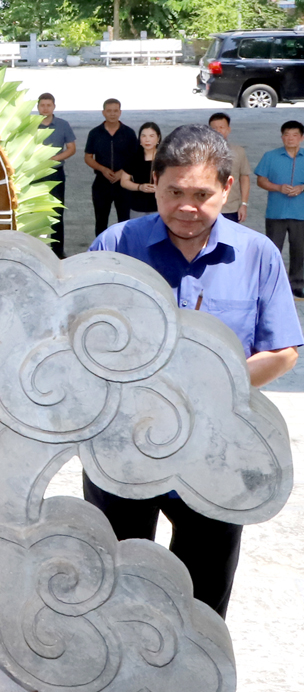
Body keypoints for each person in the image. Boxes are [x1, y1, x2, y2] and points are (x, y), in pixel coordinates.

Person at [90, 123, 302, 619]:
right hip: (123, 450)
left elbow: (283, 350)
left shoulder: (257, 255)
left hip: (218, 451)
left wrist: (208, 388)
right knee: (113, 583)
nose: (187, 206)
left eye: (203, 194)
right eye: (174, 192)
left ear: (227, 189)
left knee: (203, 594)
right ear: (155, 180)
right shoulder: (115, 247)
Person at [255, 120, 304, 298]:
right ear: (282, 137)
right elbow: (260, 180)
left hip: (301, 213)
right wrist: (278, 188)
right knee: (273, 249)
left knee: (300, 250)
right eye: (286, 135)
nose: (290, 138)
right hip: (276, 212)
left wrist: (301, 187)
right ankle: (271, 284)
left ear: (301, 137)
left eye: (294, 135)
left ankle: (297, 284)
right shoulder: (270, 156)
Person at [84, 98, 139, 235]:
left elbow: (136, 157)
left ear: (120, 112)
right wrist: (102, 169)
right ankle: (100, 252)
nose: (112, 114)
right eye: (109, 111)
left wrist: (123, 172)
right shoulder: (95, 133)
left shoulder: (129, 133)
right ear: (103, 112)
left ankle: (124, 250)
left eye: (115, 111)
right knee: (101, 220)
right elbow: (88, 157)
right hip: (102, 183)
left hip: (124, 184)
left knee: (125, 220)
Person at [35, 93, 76, 258]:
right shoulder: (31, 125)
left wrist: (54, 158)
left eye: (48, 105)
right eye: (42, 105)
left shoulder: (62, 125)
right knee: (36, 212)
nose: (45, 108)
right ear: (38, 107)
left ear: (54, 107)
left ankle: (58, 250)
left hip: (56, 173)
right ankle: (37, 249)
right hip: (36, 174)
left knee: (57, 212)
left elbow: (71, 148)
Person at [208, 112, 252, 223]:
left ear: (228, 129)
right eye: (214, 128)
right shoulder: (202, 152)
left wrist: (244, 204)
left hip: (231, 208)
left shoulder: (238, 151)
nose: (218, 131)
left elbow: (244, 178)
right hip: (207, 206)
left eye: (221, 127)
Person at [117, 122, 160, 217]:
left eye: (151, 136)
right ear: (139, 139)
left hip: (160, 207)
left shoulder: (165, 158)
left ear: (158, 138)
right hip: (138, 207)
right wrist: (140, 187)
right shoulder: (133, 158)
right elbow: (124, 181)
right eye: (143, 136)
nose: (147, 139)